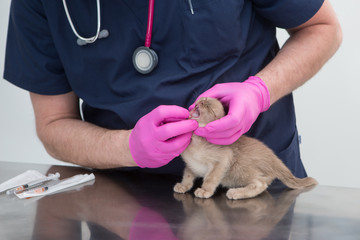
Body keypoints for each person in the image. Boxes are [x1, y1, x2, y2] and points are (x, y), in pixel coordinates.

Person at [4, 0, 341, 177]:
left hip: (252, 186)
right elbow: (52, 125)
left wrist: (259, 91)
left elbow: (322, 28)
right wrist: (126, 147)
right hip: (126, 208)